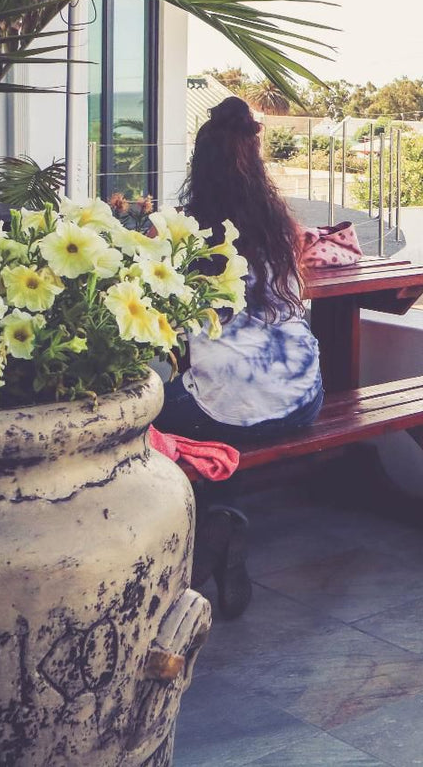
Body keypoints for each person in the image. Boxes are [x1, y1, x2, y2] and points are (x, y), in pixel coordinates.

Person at [156, 96, 323, 618]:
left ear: (198, 166)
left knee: (146, 420)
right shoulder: (280, 228)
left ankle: (209, 526)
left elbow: (178, 336)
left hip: (226, 409)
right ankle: (222, 519)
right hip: (303, 399)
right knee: (222, 404)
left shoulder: (185, 232)